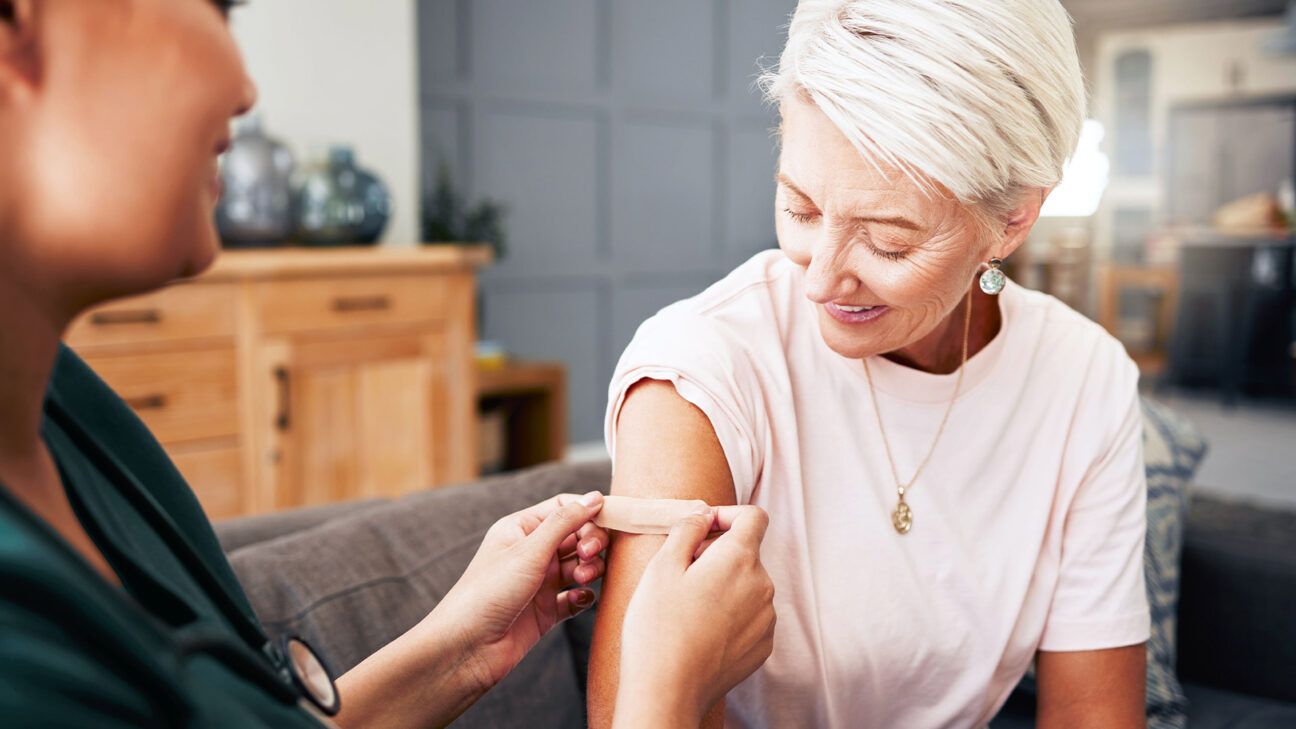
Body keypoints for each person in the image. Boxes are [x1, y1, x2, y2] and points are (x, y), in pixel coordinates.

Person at [0, 2, 775, 727]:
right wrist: (662, 688)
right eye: (215, 5)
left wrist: (459, 652)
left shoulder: (72, 419)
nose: (243, 89)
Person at [589, 1, 1150, 728]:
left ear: (1012, 219)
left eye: (887, 241)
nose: (820, 279)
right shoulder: (698, 373)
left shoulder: (1085, 380)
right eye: (800, 208)